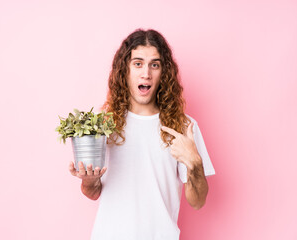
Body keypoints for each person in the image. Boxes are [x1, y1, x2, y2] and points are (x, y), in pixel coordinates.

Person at [69, 29, 215, 239]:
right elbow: (93, 192)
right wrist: (89, 181)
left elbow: (198, 201)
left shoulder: (184, 127)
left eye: (154, 65)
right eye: (138, 63)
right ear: (125, 70)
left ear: (163, 72)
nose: (146, 73)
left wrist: (195, 165)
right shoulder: (103, 125)